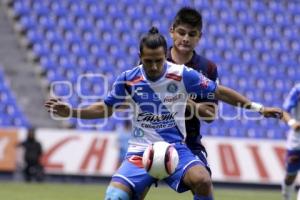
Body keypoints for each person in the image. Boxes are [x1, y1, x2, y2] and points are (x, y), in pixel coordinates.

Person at [45, 27, 282, 200]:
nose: (155, 67)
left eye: (159, 60)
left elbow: (220, 92)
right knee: (113, 196)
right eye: (149, 61)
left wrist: (258, 108)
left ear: (164, 56)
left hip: (175, 148)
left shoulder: (181, 74)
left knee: (203, 181)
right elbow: (104, 109)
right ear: (140, 58)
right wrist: (72, 111)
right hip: (140, 150)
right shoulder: (128, 79)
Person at [168, 7, 218, 198]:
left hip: (189, 144)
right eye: (181, 32)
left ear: (199, 36)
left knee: (203, 181)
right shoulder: (155, 60)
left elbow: (211, 115)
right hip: (152, 141)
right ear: (172, 30)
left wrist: (188, 103)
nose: (186, 38)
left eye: (192, 34)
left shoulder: (207, 68)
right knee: (130, 190)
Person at [281, 83, 300, 200]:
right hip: (296, 142)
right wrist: (293, 123)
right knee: (290, 176)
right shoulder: (298, 89)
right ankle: (286, 196)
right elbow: (284, 112)